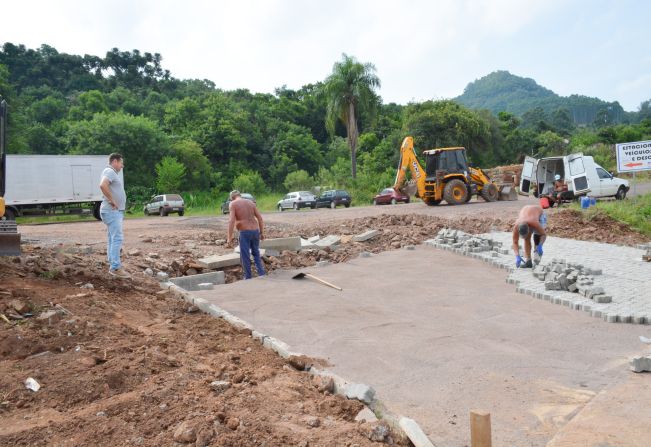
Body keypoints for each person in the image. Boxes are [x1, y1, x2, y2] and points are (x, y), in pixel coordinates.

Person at [99, 153, 130, 278]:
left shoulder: (109, 172)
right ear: (115, 161)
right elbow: (102, 185)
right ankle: (115, 268)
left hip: (112, 211)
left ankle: (112, 262)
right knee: (117, 238)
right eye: (121, 163)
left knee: (112, 238)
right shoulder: (110, 171)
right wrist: (112, 200)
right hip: (112, 211)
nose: (122, 166)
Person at [227, 190, 266, 279]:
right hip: (255, 231)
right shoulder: (251, 202)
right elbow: (260, 218)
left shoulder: (233, 204)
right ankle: (261, 273)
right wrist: (261, 233)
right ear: (240, 195)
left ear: (232, 198)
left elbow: (231, 221)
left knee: (245, 255)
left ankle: (248, 277)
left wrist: (229, 237)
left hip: (244, 232)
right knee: (256, 252)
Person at [512, 204, 547, 268]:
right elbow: (515, 242)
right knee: (526, 239)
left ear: (529, 228)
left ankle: (537, 255)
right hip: (527, 214)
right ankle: (528, 261)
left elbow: (543, 234)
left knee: (537, 236)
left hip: (539, 214)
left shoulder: (534, 222)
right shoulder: (516, 227)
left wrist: (540, 245)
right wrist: (517, 256)